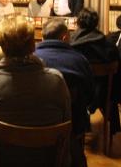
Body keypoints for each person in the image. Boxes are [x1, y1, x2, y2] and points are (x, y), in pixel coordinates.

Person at [0, 15, 71, 165]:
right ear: (33, 45)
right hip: (48, 159)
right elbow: (66, 121)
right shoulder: (56, 80)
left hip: (5, 159)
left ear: (2, 46)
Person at [35, 18, 94, 167]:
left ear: (42, 37)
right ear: (65, 37)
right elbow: (89, 96)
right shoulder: (79, 60)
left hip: (34, 121)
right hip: (71, 125)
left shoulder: (30, 57)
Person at [70, 8, 121, 134]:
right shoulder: (108, 45)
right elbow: (119, 73)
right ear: (96, 23)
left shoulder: (70, 44)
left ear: (78, 23)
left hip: (78, 95)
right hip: (103, 94)